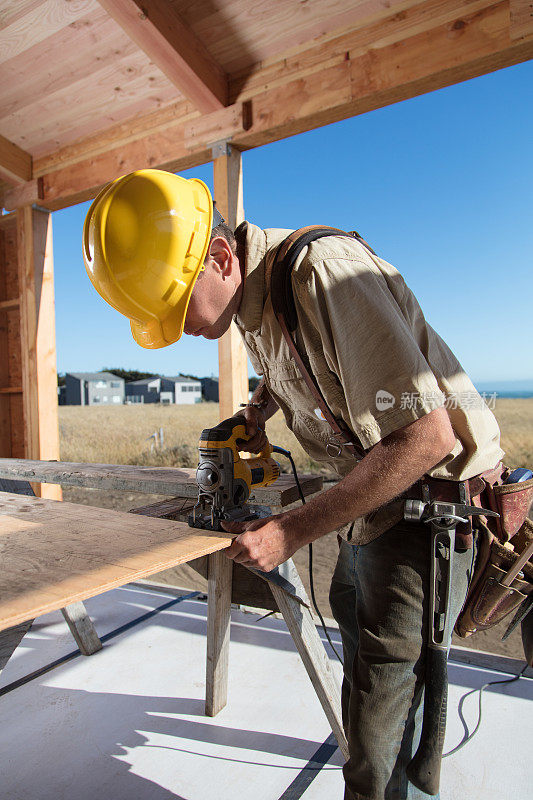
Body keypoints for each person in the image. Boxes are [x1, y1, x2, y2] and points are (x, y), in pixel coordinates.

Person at [84, 169, 504, 800]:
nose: (180, 332)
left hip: (427, 510)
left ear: (222, 257)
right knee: (363, 664)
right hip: (372, 502)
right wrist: (256, 415)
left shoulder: (321, 273)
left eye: (177, 310)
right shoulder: (251, 299)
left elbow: (426, 437)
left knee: (383, 714)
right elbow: (289, 363)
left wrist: (287, 530)